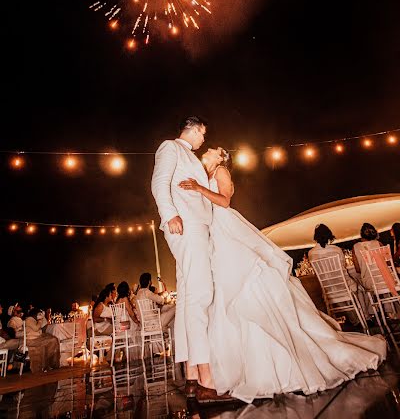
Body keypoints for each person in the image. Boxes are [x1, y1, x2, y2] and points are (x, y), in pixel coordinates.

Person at [179, 147, 387, 404]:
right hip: (215, 235)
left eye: (214, 150)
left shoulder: (221, 171)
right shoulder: (204, 172)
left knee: (247, 283)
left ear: (222, 158)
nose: (209, 149)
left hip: (228, 232)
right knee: (226, 292)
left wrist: (199, 189)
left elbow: (224, 201)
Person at [152, 116, 230, 403]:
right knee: (201, 295)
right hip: (186, 226)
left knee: (187, 300)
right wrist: (169, 214)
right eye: (203, 134)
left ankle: (192, 374)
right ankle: (208, 380)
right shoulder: (171, 147)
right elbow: (159, 183)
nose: (203, 141)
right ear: (194, 129)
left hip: (193, 227)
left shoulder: (192, 158)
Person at [25, 308, 60, 372]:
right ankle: (51, 363)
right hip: (32, 340)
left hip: (36, 338)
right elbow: (36, 328)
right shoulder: (29, 319)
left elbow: (43, 327)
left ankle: (50, 363)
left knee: (53, 339)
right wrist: (40, 321)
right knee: (53, 340)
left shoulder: (33, 320)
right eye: (38, 314)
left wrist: (43, 318)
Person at [352, 223, 383, 291]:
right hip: (386, 279)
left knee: (358, 283)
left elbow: (358, 270)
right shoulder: (379, 244)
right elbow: (388, 264)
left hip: (370, 282)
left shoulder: (355, 247)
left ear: (361, 234)